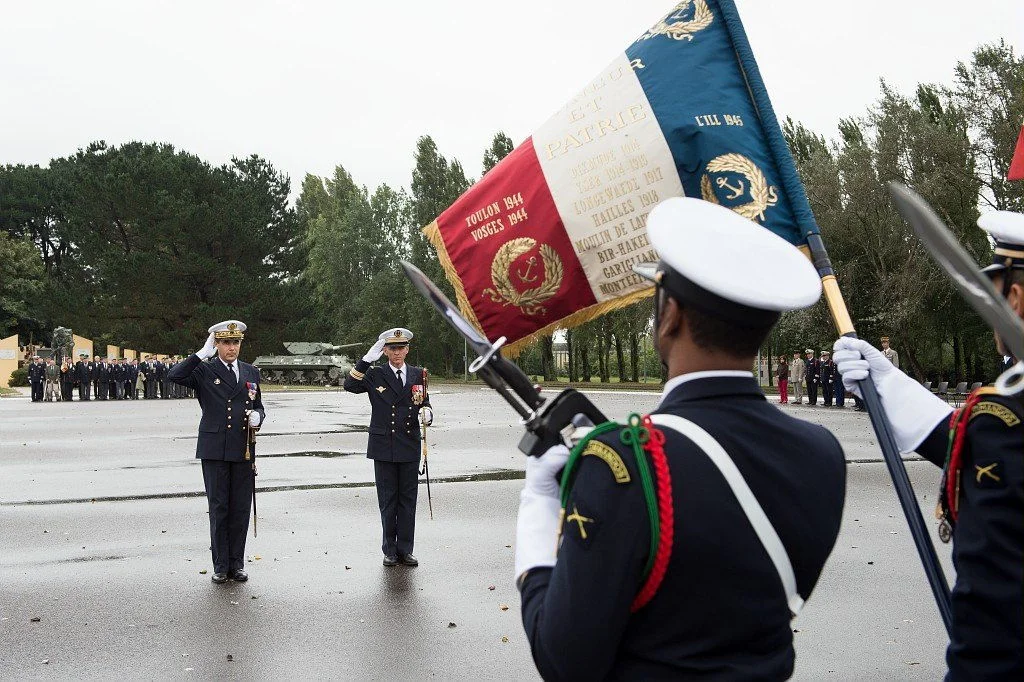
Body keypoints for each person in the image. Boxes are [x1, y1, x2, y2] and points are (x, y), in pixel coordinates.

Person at [515, 197, 847, 679]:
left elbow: (564, 660)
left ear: (669, 315)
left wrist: (539, 505)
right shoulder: (823, 453)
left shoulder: (623, 465)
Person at [833, 210, 1024, 680]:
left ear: (1015, 298)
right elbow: (981, 453)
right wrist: (889, 384)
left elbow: (993, 618)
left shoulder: (1004, 419)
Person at [168, 321, 265, 584]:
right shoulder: (204, 370)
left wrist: (259, 416)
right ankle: (221, 565)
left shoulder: (250, 372)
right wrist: (201, 353)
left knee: (240, 508)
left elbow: (258, 405)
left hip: (243, 448)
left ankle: (237, 563)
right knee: (220, 507)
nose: (231, 347)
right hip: (215, 448)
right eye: (225, 342)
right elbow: (174, 376)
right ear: (217, 345)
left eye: (235, 343)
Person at [344, 328, 433, 567]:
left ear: (407, 349)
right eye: (392, 348)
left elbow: (424, 401)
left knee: (408, 500)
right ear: (384, 351)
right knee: (388, 500)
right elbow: (350, 385)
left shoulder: (418, 374)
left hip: (409, 443)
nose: (397, 352)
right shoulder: (375, 374)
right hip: (384, 444)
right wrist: (366, 360)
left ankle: (406, 549)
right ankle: (390, 550)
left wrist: (428, 412)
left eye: (401, 347)